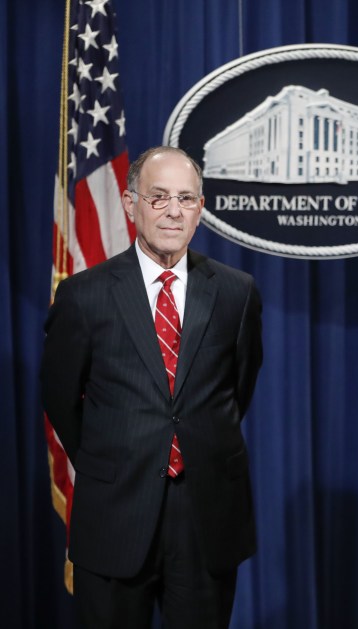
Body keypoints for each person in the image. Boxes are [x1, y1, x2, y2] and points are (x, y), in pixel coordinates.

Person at [41, 146, 263, 628]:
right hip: (115, 508)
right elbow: (60, 397)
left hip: (206, 512)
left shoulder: (235, 291)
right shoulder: (84, 294)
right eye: (158, 197)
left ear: (200, 210)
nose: (173, 210)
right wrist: (110, 457)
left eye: (186, 198)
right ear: (129, 203)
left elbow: (238, 387)